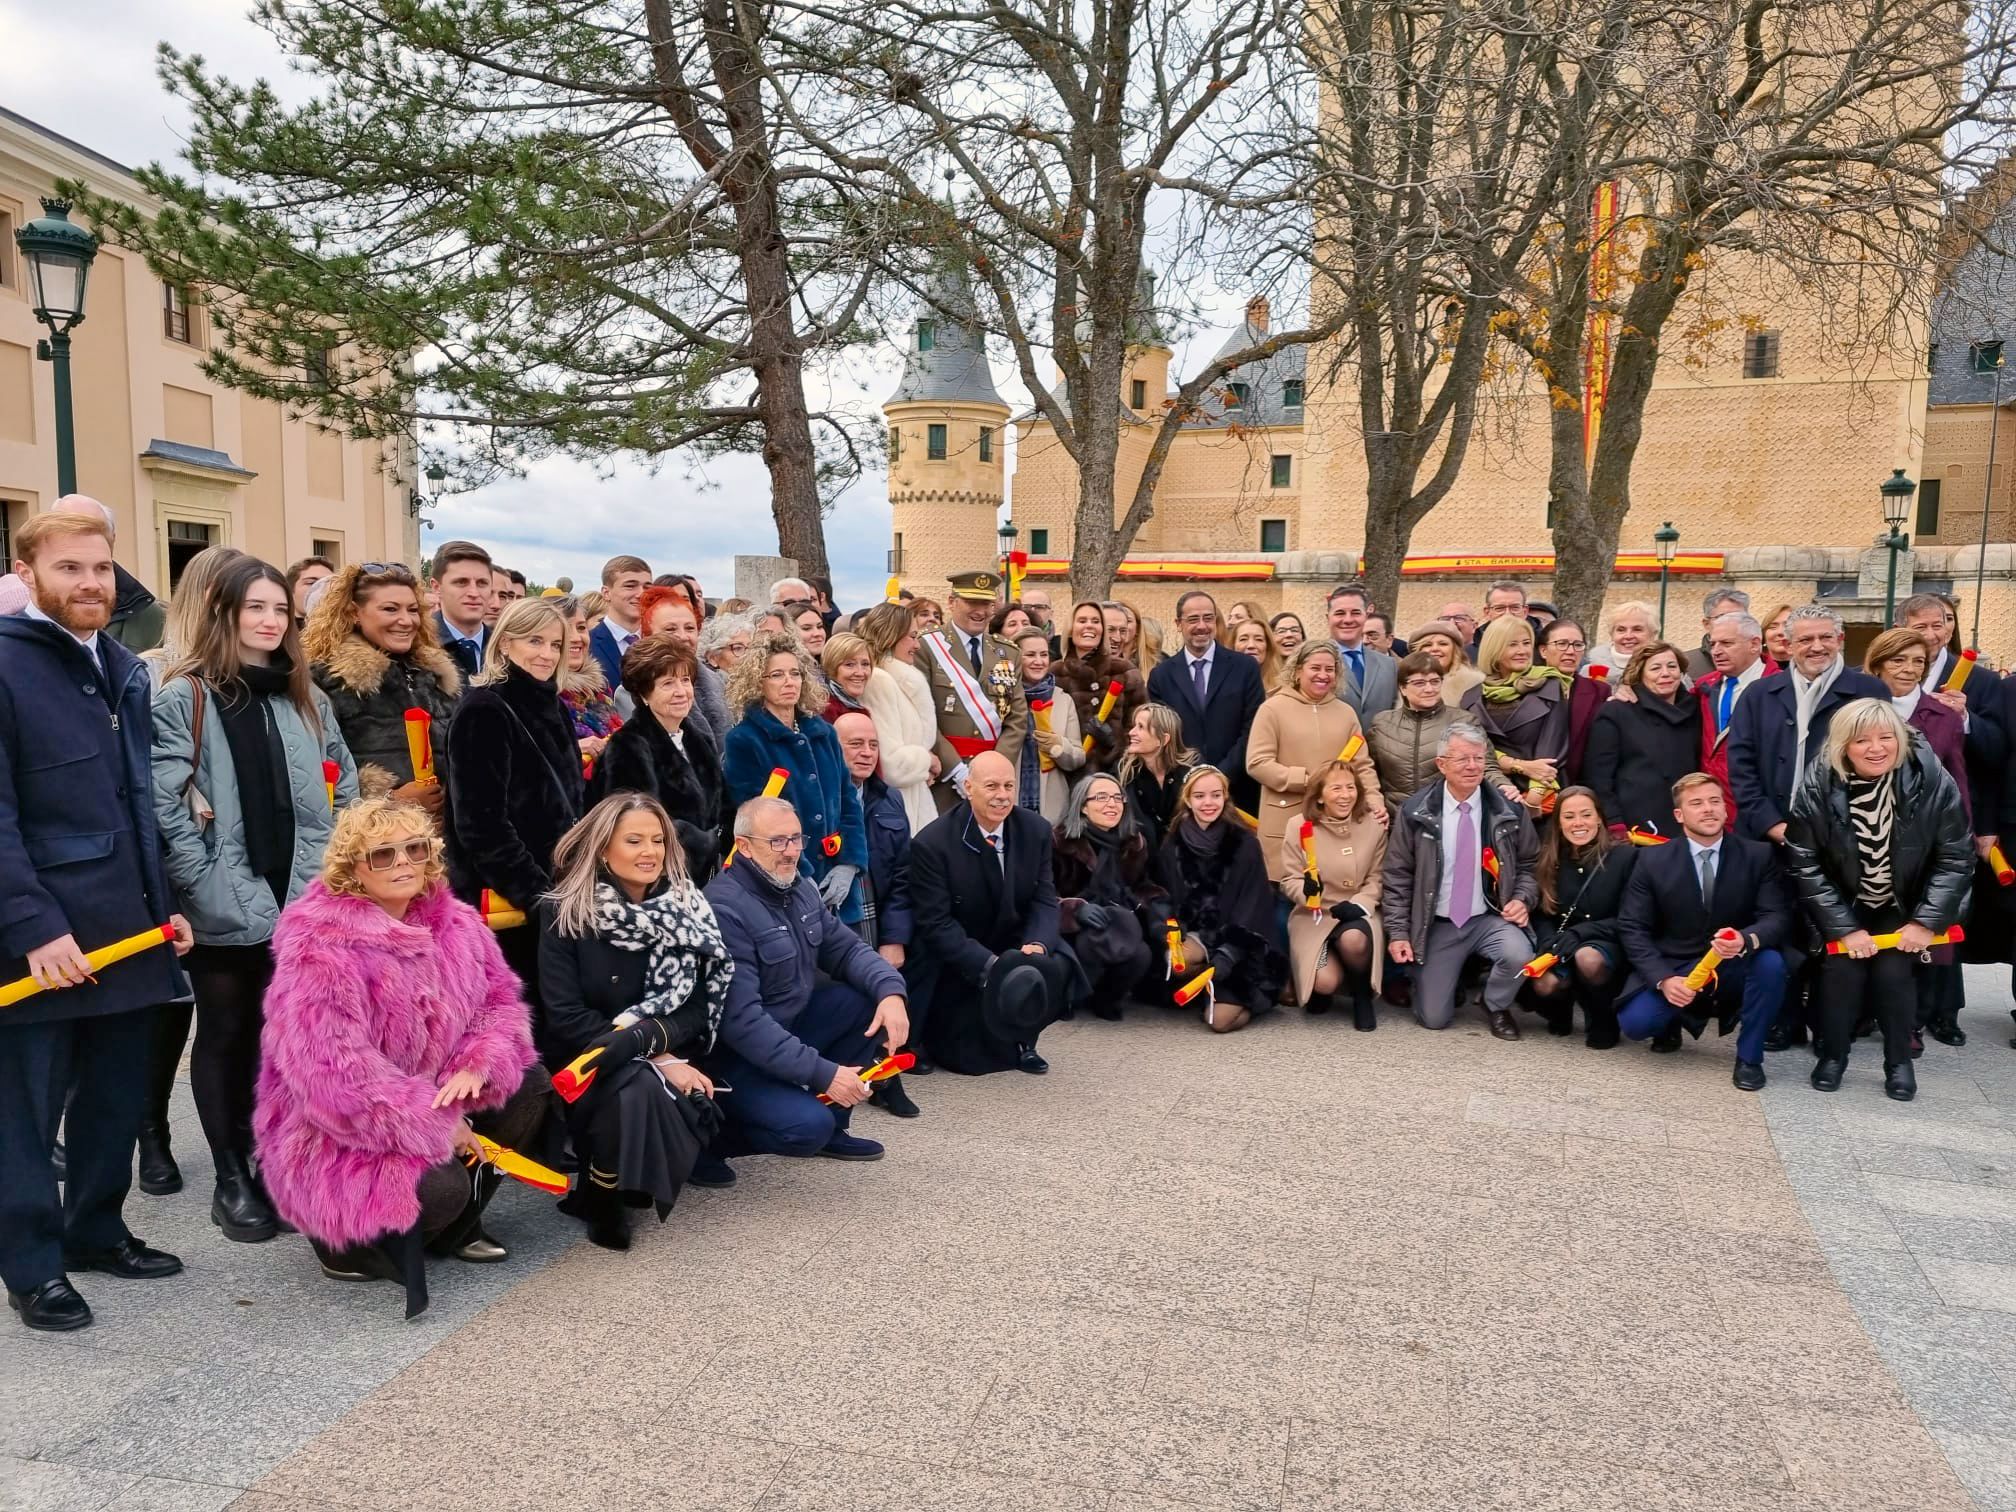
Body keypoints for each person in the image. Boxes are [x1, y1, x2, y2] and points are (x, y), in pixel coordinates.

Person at [0, 512, 196, 1332]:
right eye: (71, 567)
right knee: (26, 1111)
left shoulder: (119, 663)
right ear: (27, 570)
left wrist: (168, 904)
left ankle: (95, 1229)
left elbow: (138, 805)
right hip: (43, 938)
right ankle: (33, 1264)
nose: (91, 583)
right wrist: (32, 925)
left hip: (127, 928)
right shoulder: (5, 664)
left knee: (115, 1096)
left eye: (103, 568)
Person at [255, 799, 548, 1313]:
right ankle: (345, 1246)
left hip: (427, 1098)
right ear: (353, 869)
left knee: (528, 1084)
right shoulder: (321, 947)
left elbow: (498, 1003)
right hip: (336, 1128)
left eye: (414, 848)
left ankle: (452, 1227)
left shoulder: (457, 923)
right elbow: (333, 1075)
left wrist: (477, 1063)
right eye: (382, 855)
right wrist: (437, 1122)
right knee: (437, 1188)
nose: (403, 863)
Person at [151, 555, 360, 1242]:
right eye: (256, 609)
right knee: (227, 1031)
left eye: (279, 610)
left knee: (287, 1038)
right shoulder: (187, 694)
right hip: (224, 898)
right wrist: (204, 878)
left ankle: (278, 1159)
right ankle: (231, 1173)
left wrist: (337, 870)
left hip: (300, 894)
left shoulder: (305, 695)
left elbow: (345, 783)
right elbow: (166, 799)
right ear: (225, 615)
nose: (270, 622)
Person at [537, 795, 731, 1247]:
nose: (650, 851)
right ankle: (604, 1193)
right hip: (583, 1054)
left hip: (662, 1041)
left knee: (640, 1079)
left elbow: (699, 1006)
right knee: (635, 1081)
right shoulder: (563, 910)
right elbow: (566, 1016)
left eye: (658, 840)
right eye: (634, 840)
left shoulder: (686, 908)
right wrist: (656, 1054)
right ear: (604, 849)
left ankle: (606, 1185)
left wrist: (650, 1044)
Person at [703, 796, 910, 1162]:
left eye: (797, 839)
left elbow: (848, 950)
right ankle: (709, 1141)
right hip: (737, 1058)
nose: (791, 851)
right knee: (805, 1129)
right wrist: (824, 1073)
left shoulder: (796, 889)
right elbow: (743, 1023)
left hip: (788, 1028)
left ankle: (834, 1125)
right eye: (778, 841)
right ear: (744, 847)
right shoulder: (725, 908)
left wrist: (891, 992)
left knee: (864, 1001)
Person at [1784, 701, 1972, 1101]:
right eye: (1861, 740)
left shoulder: (1932, 779)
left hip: (1902, 900)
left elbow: (1956, 856)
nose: (1876, 748)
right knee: (1841, 973)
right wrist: (1844, 928)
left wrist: (1926, 921)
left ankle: (1899, 1061)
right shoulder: (1818, 783)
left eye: (1886, 738)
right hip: (1843, 897)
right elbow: (1804, 860)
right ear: (1842, 746)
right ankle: (1833, 1055)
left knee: (1893, 975)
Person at [443, 596, 586, 996]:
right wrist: (537, 896)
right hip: (509, 900)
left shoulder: (551, 703)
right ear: (505, 643)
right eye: (534, 641)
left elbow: (570, 797)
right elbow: (480, 824)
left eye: (555, 644)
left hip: (559, 889)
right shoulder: (484, 708)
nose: (547, 654)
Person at [1615, 773, 1791, 1089]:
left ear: (1726, 810)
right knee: (1636, 1023)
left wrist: (1746, 939)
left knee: (1771, 964)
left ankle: (1750, 1058)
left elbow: (1776, 916)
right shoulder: (1651, 859)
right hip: (1676, 963)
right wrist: (1663, 979)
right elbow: (1633, 927)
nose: (1708, 809)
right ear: (1679, 815)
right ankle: (1669, 1022)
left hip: (1733, 962)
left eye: (1714, 801)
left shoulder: (1758, 855)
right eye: (1696, 803)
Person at [909, 752, 1071, 1072]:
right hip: (964, 952)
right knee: (967, 1058)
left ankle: (1026, 1040)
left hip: (1014, 940)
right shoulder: (932, 843)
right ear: (969, 788)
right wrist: (989, 965)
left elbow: (1044, 896)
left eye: (1009, 786)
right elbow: (936, 923)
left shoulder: (1035, 829)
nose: (1002, 795)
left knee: (1055, 962)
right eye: (992, 786)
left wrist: (1037, 945)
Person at [1382, 724, 1538, 1039]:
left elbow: (1529, 863)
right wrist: (1398, 933)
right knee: (1434, 1018)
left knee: (1520, 954)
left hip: (1488, 917)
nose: (1472, 767)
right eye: (1462, 759)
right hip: (1437, 923)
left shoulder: (1506, 809)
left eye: (1479, 759)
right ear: (1441, 764)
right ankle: (1435, 977)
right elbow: (1398, 875)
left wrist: (1521, 898)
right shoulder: (1415, 812)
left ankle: (1495, 1003)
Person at [722, 630, 865, 911]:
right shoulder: (744, 740)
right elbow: (756, 820)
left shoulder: (823, 732)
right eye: (776, 675)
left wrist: (850, 862)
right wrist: (802, 874)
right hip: (783, 883)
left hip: (837, 881)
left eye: (795, 673)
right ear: (756, 682)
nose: (789, 681)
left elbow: (849, 801)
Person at [1728, 605, 1889, 846]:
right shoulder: (1757, 695)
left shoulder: (1870, 691)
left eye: (1826, 637)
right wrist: (1772, 825)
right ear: (1789, 645)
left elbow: (1880, 764)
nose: (1817, 647)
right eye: (1805, 639)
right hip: (1764, 840)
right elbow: (1741, 767)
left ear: (1840, 639)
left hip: (1845, 840)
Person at [305, 561, 461, 805]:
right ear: (354, 613)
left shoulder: (436, 676)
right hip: (376, 837)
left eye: (412, 610)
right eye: (390, 609)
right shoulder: (328, 680)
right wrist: (391, 800)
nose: (406, 620)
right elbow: (312, 776)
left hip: (444, 837)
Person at [1155, 766, 1289, 1033]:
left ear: (1225, 798)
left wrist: (1230, 952)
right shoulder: (1172, 844)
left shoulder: (1246, 843)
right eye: (1200, 796)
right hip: (1200, 934)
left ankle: (1247, 997)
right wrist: (1174, 929)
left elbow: (1255, 904)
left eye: (1216, 795)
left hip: (1240, 940)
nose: (1208, 803)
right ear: (1188, 799)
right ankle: (1209, 982)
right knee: (1175, 961)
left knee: (1218, 1023)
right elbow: (1166, 895)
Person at [593, 637, 730, 882]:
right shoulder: (628, 746)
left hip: (706, 880)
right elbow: (636, 825)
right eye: (668, 683)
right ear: (644, 694)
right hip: (658, 882)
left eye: (685, 680)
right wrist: (706, 843)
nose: (681, 692)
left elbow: (723, 806)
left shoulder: (698, 739)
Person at [1247, 641, 1383, 883]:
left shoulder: (1346, 713)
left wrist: (1374, 799)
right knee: (1286, 898)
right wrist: (1309, 782)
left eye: (1329, 669)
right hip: (1285, 820)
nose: (1323, 675)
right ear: (1298, 671)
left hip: (1335, 824)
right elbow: (1258, 762)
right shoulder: (1272, 709)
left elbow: (1361, 765)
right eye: (1315, 668)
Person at [1523, 788, 1635, 1047]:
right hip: (1562, 943)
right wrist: (1548, 940)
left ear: (1599, 818)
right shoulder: (1550, 858)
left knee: (1588, 958)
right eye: (1569, 816)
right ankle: (1561, 1010)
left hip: (1606, 941)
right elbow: (1542, 914)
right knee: (1543, 983)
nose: (1578, 823)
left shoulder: (1625, 857)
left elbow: (1631, 919)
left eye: (1586, 814)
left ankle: (1602, 1016)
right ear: (1559, 822)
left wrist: (1580, 934)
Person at [1282, 761, 1387, 1029]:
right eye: (1336, 788)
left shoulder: (1373, 824)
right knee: (1324, 982)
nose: (1345, 795)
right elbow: (1289, 879)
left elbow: (1377, 877)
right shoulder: (1298, 826)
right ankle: (1327, 984)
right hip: (1314, 915)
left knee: (1354, 939)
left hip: (1356, 912)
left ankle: (1362, 995)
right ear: (1319, 795)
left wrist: (1361, 904)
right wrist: (1306, 893)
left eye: (1351, 787)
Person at [915, 570, 1029, 809]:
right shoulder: (926, 646)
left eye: (986, 603)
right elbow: (921, 715)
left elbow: (1017, 718)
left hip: (993, 781)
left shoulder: (1008, 652)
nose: (981, 611)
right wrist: (956, 771)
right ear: (951, 601)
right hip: (944, 778)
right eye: (971, 602)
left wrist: (994, 770)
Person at [1051, 771, 1159, 1015]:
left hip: (1117, 920)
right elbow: (1042, 894)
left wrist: (1155, 910)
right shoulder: (1059, 841)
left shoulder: (1133, 842)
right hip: (1071, 928)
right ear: (1083, 807)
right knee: (1085, 944)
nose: (1111, 804)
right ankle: (1069, 996)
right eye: (1100, 797)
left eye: (1117, 797)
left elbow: (1143, 886)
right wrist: (1076, 909)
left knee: (1141, 954)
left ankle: (1106, 998)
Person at [1148, 591, 1267, 809]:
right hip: (1184, 790)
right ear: (1178, 623)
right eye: (1193, 619)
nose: (1202, 626)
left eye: (1208, 618)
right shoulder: (1161, 676)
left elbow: (1253, 727)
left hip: (1238, 789)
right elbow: (1164, 736)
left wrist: (1222, 775)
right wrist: (1196, 777)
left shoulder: (1244, 668)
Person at [1367, 651, 1514, 819]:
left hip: (1448, 820)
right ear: (1403, 688)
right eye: (1419, 683)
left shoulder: (1463, 720)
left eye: (1435, 681)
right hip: (1397, 821)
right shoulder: (1382, 724)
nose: (1429, 689)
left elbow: (1486, 765)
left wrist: (1504, 786)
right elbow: (1369, 771)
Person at [1582, 641, 1703, 837]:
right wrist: (1614, 822)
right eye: (1655, 668)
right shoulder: (1617, 711)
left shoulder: (1695, 709)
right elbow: (1599, 778)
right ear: (1640, 673)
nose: (1665, 673)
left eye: (1672, 666)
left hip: (1687, 821)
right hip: (1636, 826)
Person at [1461, 615, 1570, 814]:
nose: (1522, 651)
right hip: (1491, 793)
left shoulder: (1549, 685)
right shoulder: (1472, 696)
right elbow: (1478, 750)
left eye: (1526, 643)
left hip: (1541, 797)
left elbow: (1551, 747)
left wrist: (1534, 798)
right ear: (1494, 649)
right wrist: (1520, 766)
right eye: (1512, 645)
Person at [855, 601, 941, 834]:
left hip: (912, 803)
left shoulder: (897, 679)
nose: (917, 645)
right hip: (893, 814)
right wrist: (928, 761)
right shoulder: (879, 682)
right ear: (892, 636)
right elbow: (889, 764)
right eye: (912, 637)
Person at [47, 496, 167, 652]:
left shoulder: (148, 615)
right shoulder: (19, 610)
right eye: (70, 529)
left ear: (112, 539)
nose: (85, 540)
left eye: (96, 530)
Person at [1693, 612, 1778, 816]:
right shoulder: (1703, 686)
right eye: (1713, 644)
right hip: (1712, 808)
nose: (1716, 651)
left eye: (1726, 643)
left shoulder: (1782, 688)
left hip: (1761, 806)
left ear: (1755, 644)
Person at [1055, 599, 1148, 774]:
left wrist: (1114, 742)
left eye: (1096, 621)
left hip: (1115, 775)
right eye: (1082, 621)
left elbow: (1141, 725)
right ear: (1070, 629)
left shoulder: (1124, 671)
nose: (1089, 626)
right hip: (1067, 777)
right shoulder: (1055, 674)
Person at [1016, 627, 1086, 821]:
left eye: (1044, 654)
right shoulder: (1001, 695)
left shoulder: (1063, 699)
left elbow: (1078, 758)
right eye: (1030, 655)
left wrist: (1058, 746)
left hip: (1051, 810)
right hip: (1009, 800)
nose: (1039, 661)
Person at [1120, 702, 1197, 849]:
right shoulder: (1124, 775)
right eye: (1134, 726)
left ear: (1163, 739)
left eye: (1140, 727)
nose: (1131, 732)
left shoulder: (1190, 776)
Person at [1326, 585, 1398, 718]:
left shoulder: (1389, 665)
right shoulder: (1313, 661)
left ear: (1366, 616)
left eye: (1356, 613)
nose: (1348, 620)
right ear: (1328, 618)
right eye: (1340, 613)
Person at [428, 540, 495, 681]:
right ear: (436, 587)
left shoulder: (507, 649)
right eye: (461, 582)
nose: (474, 593)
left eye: (482, 583)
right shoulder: (416, 648)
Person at [586, 554, 652, 690]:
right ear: (606, 593)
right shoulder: (587, 645)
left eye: (647, 587)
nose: (641, 594)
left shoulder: (661, 642)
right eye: (630, 586)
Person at [1409, 620, 1483, 708]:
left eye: (1443, 644)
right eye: (1427, 645)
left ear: (1455, 651)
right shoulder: (1404, 682)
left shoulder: (1474, 684)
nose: (1435, 649)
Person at [1685, 587, 1752, 680]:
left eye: (1739, 617)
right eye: (1723, 617)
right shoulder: (1686, 664)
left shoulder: (1759, 662)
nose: (1732, 623)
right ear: (1707, 624)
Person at [1585, 601, 1656, 678]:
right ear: (1611, 634)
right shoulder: (1589, 673)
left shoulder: (1666, 672)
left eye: (1637, 629)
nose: (1628, 636)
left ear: (1653, 634)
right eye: (1621, 630)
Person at [820, 631, 875, 722]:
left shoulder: (854, 706)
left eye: (865, 664)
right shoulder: (826, 712)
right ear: (831, 667)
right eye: (849, 664)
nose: (860, 673)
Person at [1230, 618, 1283, 692]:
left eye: (1259, 639)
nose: (1251, 645)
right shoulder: (1220, 684)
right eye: (1243, 639)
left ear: (1268, 647)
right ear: (1233, 646)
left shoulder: (1282, 687)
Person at [699, 610, 754, 679]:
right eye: (738, 648)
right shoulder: (709, 688)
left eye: (751, 647)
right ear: (712, 658)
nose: (748, 654)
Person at [285, 555, 334, 628]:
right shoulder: (280, 631)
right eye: (311, 583)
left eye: (328, 583)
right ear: (290, 590)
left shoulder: (345, 631)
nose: (322, 588)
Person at [1760, 603, 1795, 668]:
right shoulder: (1752, 670)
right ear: (1763, 637)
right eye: (1773, 627)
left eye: (1788, 626)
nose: (1781, 632)